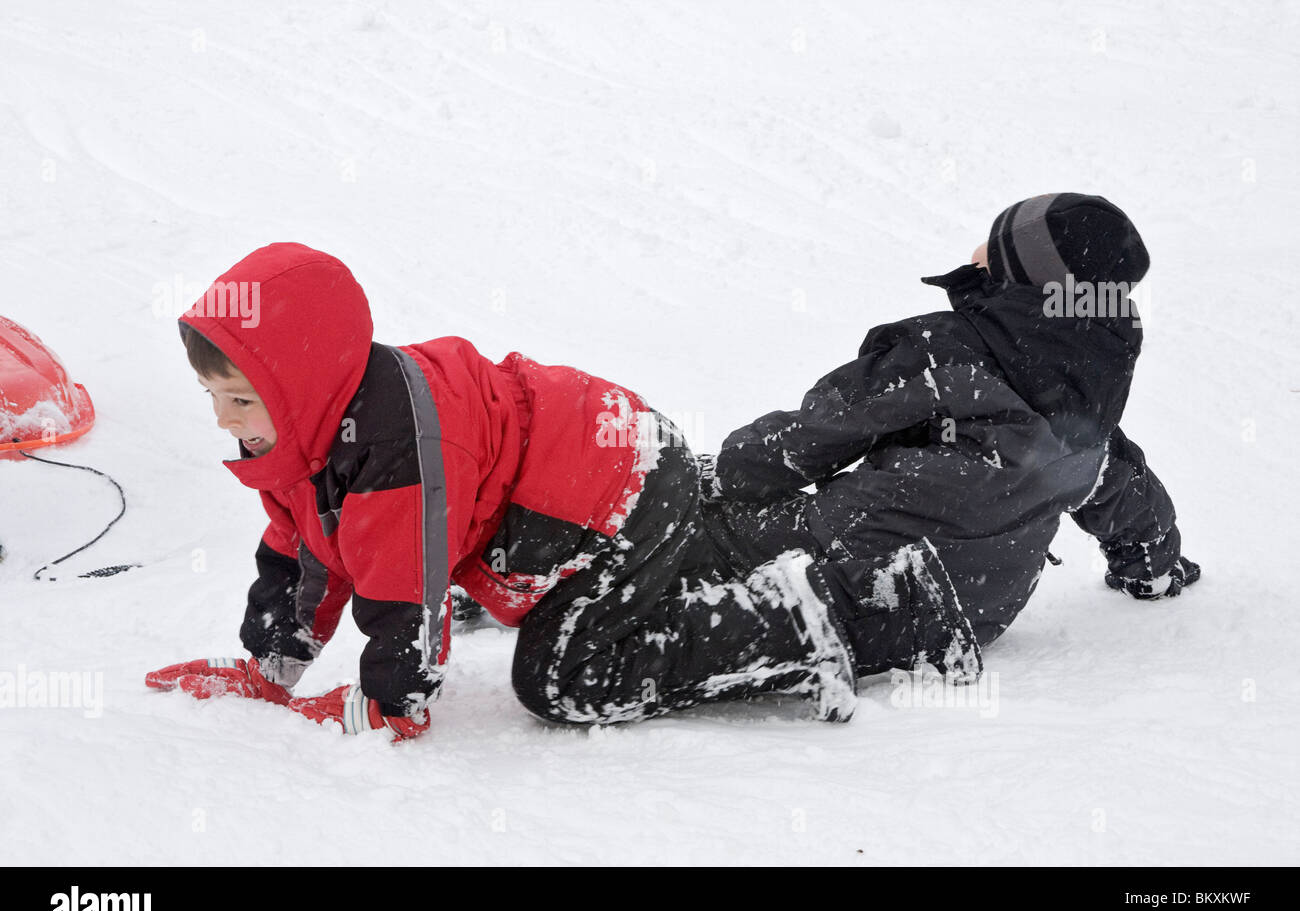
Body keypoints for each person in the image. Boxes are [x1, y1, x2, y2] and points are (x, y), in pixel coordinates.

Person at [147, 242, 893, 738]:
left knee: (565, 680)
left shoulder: (394, 448)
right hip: (598, 464)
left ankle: (795, 621)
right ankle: (711, 569)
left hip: (620, 490)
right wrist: (268, 671)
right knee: (530, 608)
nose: (223, 420)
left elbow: (405, 598)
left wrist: (381, 706)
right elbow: (309, 547)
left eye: (241, 399)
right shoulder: (315, 429)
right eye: (213, 395)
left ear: (302, 384)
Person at [697, 193, 1200, 661]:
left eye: (998, 246)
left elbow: (815, 434)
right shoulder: (1085, 405)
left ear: (1022, 271)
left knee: (699, 528)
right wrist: (1152, 566)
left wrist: (721, 477)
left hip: (855, 560)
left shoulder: (944, 352)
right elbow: (1122, 486)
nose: (978, 251)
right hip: (975, 610)